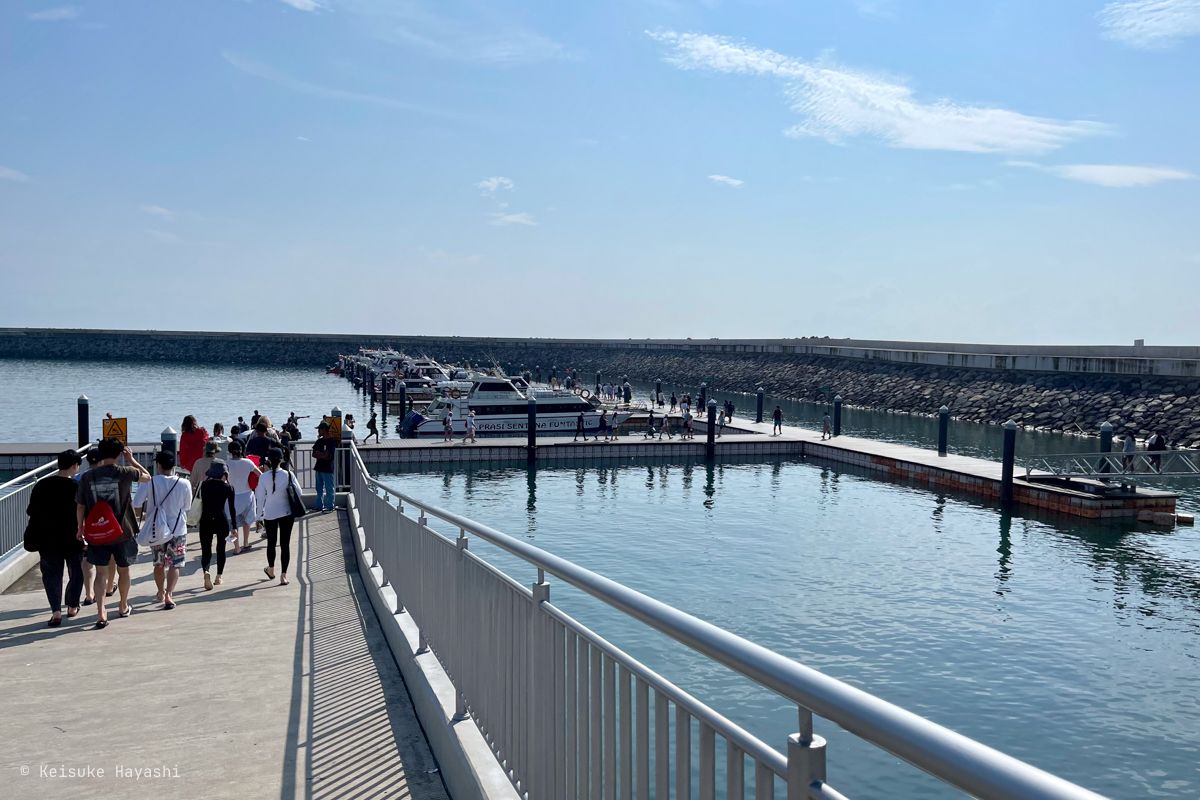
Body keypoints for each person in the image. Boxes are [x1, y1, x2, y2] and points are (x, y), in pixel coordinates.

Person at [76, 437, 150, 628]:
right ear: (119, 454)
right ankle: (123, 605)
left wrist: (80, 527)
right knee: (123, 570)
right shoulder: (125, 472)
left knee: (101, 572)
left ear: (100, 453)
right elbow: (147, 477)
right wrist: (131, 460)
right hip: (122, 531)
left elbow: (80, 505)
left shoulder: (87, 477)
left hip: (97, 532)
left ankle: (101, 611)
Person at [26, 450, 85, 627]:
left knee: (52, 575)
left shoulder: (41, 485)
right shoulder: (76, 486)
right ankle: (72, 606)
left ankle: (56, 612)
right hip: (73, 537)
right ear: (74, 466)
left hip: (47, 538)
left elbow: (31, 511)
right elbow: (84, 510)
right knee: (77, 572)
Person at [134, 451, 191, 610]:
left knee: (159, 563)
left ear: (158, 465)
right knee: (175, 564)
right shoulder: (184, 483)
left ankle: (160, 591)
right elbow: (187, 506)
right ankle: (169, 594)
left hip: (156, 530)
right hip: (178, 529)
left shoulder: (150, 482)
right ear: (174, 466)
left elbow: (136, 502)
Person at [254, 448, 303, 586]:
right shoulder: (289, 475)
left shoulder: (263, 477)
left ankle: (271, 569)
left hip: (269, 513)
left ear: (268, 461)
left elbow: (260, 498)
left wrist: (258, 517)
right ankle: (284, 576)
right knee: (285, 544)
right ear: (282, 460)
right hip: (286, 512)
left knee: (271, 543)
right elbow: (299, 492)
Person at [198, 460, 236, 590]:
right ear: (224, 473)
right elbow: (232, 509)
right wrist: (234, 526)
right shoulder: (228, 488)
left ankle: (206, 571)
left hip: (206, 519)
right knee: (221, 549)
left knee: (206, 550)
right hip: (221, 519)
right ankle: (219, 576)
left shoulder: (204, 485)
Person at [226, 439, 261, 552]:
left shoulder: (226, 463)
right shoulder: (248, 462)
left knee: (233, 523)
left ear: (229, 451)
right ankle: (246, 543)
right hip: (247, 495)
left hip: (231, 497)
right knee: (247, 521)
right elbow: (260, 475)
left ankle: (236, 547)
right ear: (241, 450)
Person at [312, 421, 337, 512]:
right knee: (319, 489)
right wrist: (322, 454)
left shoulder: (331, 442)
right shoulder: (319, 441)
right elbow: (314, 454)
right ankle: (319, 506)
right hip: (318, 467)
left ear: (324, 430)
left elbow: (329, 456)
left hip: (328, 468)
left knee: (329, 488)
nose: (318, 431)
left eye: (319, 429)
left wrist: (320, 454)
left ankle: (330, 506)